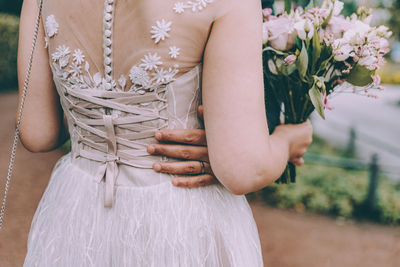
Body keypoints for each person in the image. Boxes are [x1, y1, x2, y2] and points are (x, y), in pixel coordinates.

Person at [18, 0, 312, 266]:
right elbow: (244, 168)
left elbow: (37, 132)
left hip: (77, 210)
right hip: (179, 217)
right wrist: (289, 139)